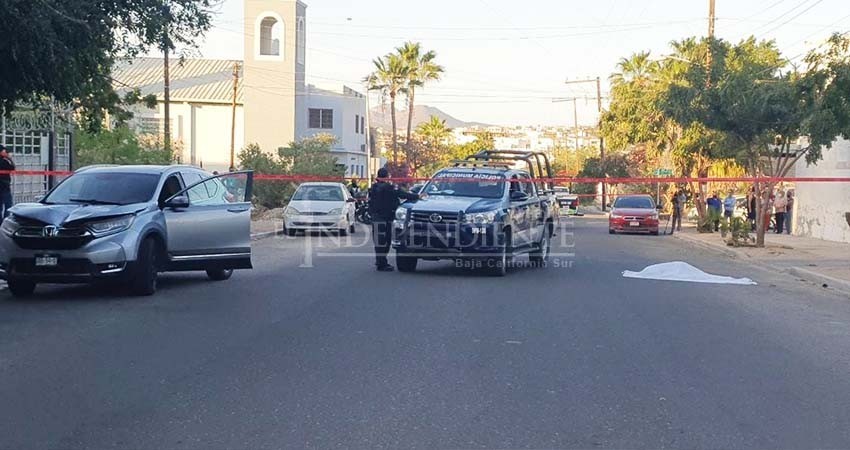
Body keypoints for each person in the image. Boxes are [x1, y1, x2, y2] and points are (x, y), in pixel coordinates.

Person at [368, 168, 420, 272]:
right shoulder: (390, 188)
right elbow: (403, 194)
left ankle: (380, 262)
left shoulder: (373, 188)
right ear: (387, 176)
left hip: (376, 217)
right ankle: (382, 263)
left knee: (379, 241)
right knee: (385, 241)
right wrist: (418, 196)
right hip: (386, 218)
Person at [0, 145, 15, 221]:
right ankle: (5, 221)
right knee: (8, 205)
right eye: (4, 151)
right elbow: (12, 167)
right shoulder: (4, 161)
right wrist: (9, 158)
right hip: (5, 186)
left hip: (3, 186)